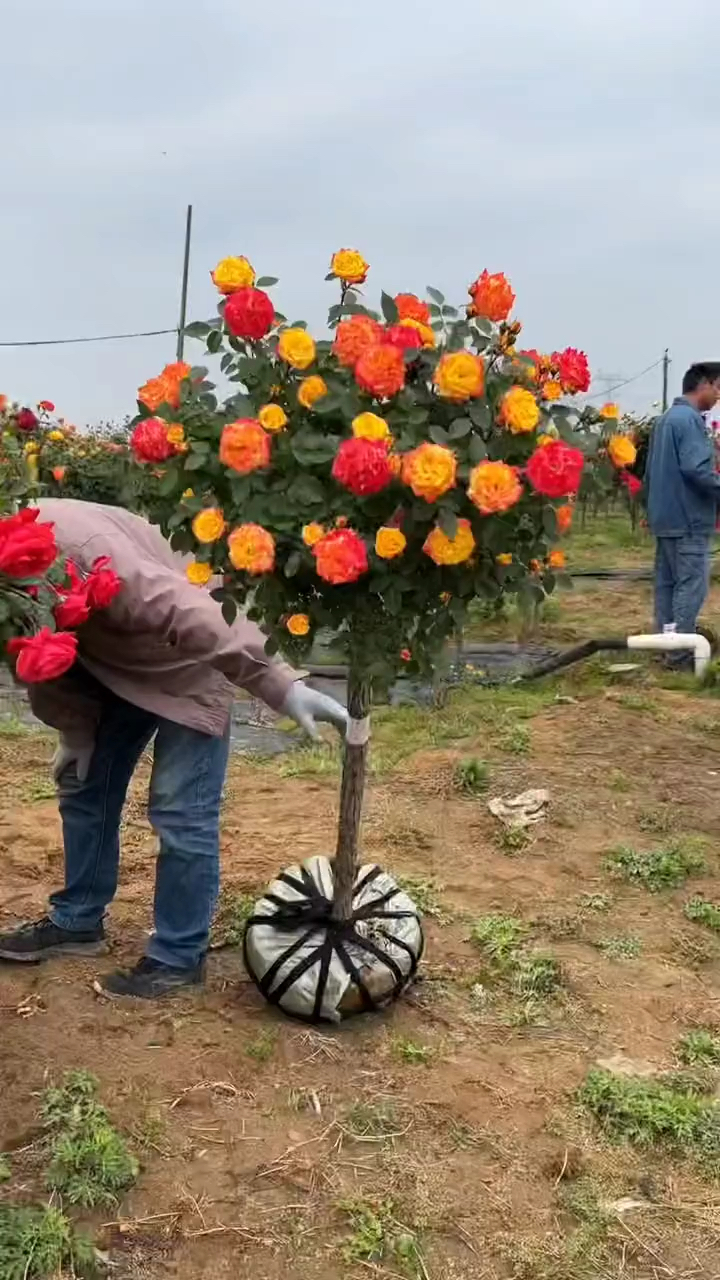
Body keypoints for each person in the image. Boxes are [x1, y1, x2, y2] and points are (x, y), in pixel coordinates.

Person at [0, 499, 348, 998]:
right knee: (83, 784)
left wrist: (279, 684)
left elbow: (186, 609)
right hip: (109, 656)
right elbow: (38, 649)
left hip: (193, 651)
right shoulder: (11, 582)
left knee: (180, 808)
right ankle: (77, 921)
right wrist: (76, 730)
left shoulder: (82, 550)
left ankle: (178, 956)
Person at [645, 362, 720, 658]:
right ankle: (680, 655)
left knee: (667, 586)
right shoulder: (689, 421)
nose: (718, 398)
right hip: (689, 519)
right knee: (691, 587)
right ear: (705, 384)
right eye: (718, 389)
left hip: (665, 518)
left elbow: (650, 473)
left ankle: (665, 647)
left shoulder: (665, 420)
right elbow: (697, 469)